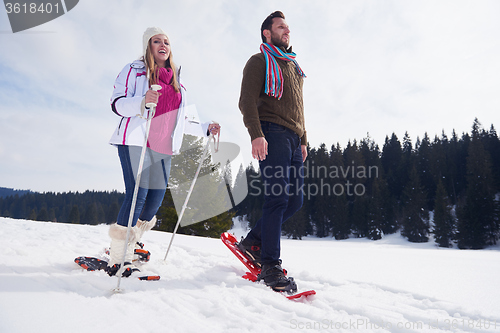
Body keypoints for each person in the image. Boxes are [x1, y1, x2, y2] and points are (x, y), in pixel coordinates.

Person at [107, 27, 220, 277]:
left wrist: (205, 128)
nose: (163, 45)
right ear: (148, 46)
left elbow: (184, 120)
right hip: (136, 141)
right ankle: (119, 257)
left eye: (166, 41)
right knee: (137, 195)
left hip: (163, 147)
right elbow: (116, 103)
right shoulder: (134, 71)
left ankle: (131, 241)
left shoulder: (178, 83)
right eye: (156, 41)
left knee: (155, 200)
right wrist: (141, 102)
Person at [237, 11, 307, 293]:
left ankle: (253, 241)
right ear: (267, 33)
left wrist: (305, 140)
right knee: (277, 198)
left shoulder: (293, 67)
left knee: (295, 201)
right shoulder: (259, 61)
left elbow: (300, 107)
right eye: (281, 27)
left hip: (294, 138)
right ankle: (270, 265)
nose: (286, 30)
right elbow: (247, 102)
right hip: (272, 133)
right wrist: (257, 134)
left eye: (287, 27)